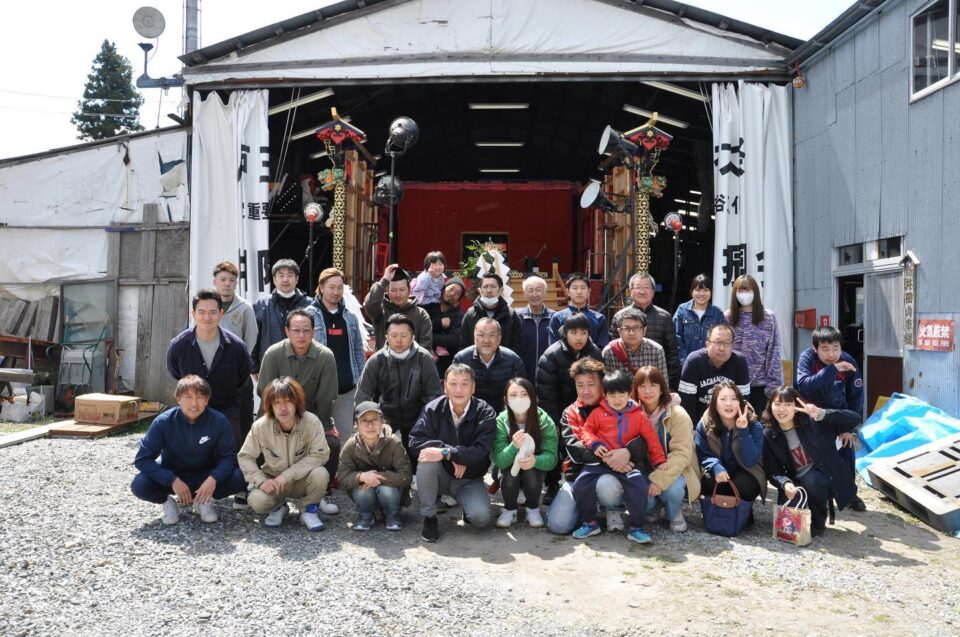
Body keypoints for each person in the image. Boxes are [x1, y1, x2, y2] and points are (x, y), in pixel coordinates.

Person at [256, 308, 340, 515]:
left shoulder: (325, 356)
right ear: (287, 331)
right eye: (296, 330)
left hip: (311, 419)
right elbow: (265, 394)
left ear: (314, 332)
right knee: (258, 443)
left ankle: (321, 491)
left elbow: (325, 398)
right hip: (276, 416)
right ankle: (270, 490)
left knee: (332, 444)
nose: (301, 336)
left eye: (306, 330)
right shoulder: (273, 354)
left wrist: (324, 428)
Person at [131, 375, 246, 525]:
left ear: (207, 400)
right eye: (188, 397)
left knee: (239, 476)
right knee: (139, 485)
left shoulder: (219, 421)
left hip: (205, 475)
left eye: (199, 397)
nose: (194, 403)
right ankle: (168, 503)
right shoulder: (163, 422)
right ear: (178, 399)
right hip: (173, 474)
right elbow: (142, 459)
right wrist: (171, 479)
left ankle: (204, 501)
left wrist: (213, 479)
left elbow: (229, 457)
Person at [571, 370, 665, 544]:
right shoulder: (599, 413)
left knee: (639, 486)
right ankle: (590, 522)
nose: (617, 399)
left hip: (627, 463)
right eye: (612, 395)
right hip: (601, 460)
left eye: (621, 394)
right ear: (605, 395)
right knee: (580, 484)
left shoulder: (639, 416)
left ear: (629, 394)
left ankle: (637, 527)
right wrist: (595, 444)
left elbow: (652, 440)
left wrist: (660, 461)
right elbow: (587, 431)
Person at [546, 358, 636, 536]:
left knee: (606, 485)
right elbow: (576, 449)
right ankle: (587, 510)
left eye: (591, 384)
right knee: (558, 525)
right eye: (580, 385)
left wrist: (627, 451)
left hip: (613, 474)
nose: (585, 391)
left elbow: (639, 438)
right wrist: (612, 457)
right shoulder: (570, 412)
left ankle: (613, 508)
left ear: (602, 384)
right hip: (578, 476)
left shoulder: (620, 403)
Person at [409, 364, 497, 543]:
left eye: (465, 384)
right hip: (441, 476)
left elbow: (480, 450)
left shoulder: (485, 412)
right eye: (453, 383)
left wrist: (450, 452)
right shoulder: (433, 408)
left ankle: (467, 507)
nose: (458, 389)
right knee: (427, 458)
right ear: (445, 387)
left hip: (469, 478)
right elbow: (414, 441)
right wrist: (446, 452)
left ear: (473, 387)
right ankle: (430, 517)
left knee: (481, 519)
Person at [761, 386, 861, 536]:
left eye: (788, 404)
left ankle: (818, 523)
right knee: (790, 525)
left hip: (823, 477)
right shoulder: (769, 434)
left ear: (796, 407)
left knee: (812, 479)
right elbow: (772, 469)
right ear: (770, 406)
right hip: (795, 480)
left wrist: (821, 414)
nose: (782, 409)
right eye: (777, 403)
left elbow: (854, 418)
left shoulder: (813, 422)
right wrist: (785, 483)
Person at [237, 377, 331, 532]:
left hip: (302, 479)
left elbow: (320, 454)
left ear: (297, 403)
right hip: (274, 481)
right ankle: (278, 508)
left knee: (321, 474)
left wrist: (288, 475)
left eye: (288, 401)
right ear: (270, 406)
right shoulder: (260, 426)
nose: (283, 408)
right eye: (277, 403)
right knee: (256, 500)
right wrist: (260, 481)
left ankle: (308, 510)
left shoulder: (311, 422)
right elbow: (245, 456)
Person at [354, 314, 443, 469]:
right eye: (394, 335)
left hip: (417, 413)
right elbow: (363, 396)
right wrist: (368, 421)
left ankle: (420, 474)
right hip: (387, 413)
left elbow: (434, 395)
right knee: (378, 450)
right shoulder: (377, 360)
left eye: (404, 335)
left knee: (420, 451)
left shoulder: (424, 358)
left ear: (412, 336)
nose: (399, 340)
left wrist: (430, 423)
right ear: (386, 336)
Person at [795, 325, 867, 512]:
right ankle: (815, 491)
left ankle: (850, 493)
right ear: (815, 348)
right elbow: (804, 386)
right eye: (825, 349)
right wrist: (832, 370)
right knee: (817, 454)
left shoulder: (849, 362)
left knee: (847, 449)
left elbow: (856, 397)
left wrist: (848, 428)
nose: (831, 354)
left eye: (835, 348)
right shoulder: (807, 359)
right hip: (811, 415)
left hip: (838, 415)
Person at [166, 289, 252, 444]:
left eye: (212, 312)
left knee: (229, 456)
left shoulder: (236, 347)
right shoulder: (179, 345)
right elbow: (176, 373)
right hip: (192, 409)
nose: (207, 317)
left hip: (227, 409)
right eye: (201, 312)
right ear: (193, 314)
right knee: (191, 456)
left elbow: (243, 376)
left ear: (221, 314)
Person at [535, 313, 603, 504]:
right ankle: (552, 484)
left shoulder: (595, 353)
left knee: (585, 445)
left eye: (583, 332)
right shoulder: (551, 355)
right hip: (557, 409)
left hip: (587, 411)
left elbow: (599, 388)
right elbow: (546, 393)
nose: (579, 337)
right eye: (573, 332)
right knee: (554, 445)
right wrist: (554, 421)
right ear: (565, 333)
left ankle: (587, 481)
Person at [631, 366, 700, 533]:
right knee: (643, 501)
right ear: (636, 389)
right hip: (644, 468)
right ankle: (654, 507)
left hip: (675, 469)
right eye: (642, 386)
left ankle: (674, 511)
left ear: (662, 388)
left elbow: (681, 454)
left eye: (653, 385)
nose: (648, 391)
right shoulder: (630, 412)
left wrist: (659, 479)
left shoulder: (678, 414)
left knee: (672, 489)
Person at [212, 261, 258, 506]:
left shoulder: (245, 308)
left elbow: (250, 342)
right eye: (223, 279)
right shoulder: (208, 306)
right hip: (211, 381)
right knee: (209, 429)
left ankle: (243, 485)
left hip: (238, 380)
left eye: (231, 280)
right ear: (214, 281)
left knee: (241, 430)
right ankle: (208, 484)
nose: (227, 284)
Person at [306, 267, 366, 440]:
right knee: (316, 437)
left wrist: (361, 380)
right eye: (331, 287)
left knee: (344, 437)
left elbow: (357, 351)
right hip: (318, 388)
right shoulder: (309, 315)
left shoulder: (350, 317)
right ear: (321, 287)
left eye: (340, 287)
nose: (336, 292)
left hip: (346, 388)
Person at [492, 378, 558, 528]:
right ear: (506, 400)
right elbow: (499, 460)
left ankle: (533, 509)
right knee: (509, 474)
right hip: (507, 468)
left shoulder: (544, 420)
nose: (519, 399)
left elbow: (552, 457)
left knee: (531, 472)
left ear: (532, 398)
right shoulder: (501, 421)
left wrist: (535, 460)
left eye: (524, 394)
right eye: (513, 395)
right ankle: (510, 509)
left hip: (534, 468)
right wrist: (513, 446)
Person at [337, 401, 413, 531]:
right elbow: (342, 478)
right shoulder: (350, 446)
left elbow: (406, 475)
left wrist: (377, 478)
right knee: (363, 491)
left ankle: (392, 515)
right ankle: (366, 515)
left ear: (382, 421)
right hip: (364, 491)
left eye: (375, 420)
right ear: (356, 425)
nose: (370, 425)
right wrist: (361, 477)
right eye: (364, 421)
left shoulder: (393, 442)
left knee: (386, 490)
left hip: (390, 491)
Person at [694, 381, 766, 509]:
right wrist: (715, 466)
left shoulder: (753, 425)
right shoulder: (705, 423)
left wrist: (743, 431)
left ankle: (739, 510)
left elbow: (750, 461)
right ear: (714, 403)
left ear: (740, 402)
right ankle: (719, 508)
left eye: (734, 399)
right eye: (723, 399)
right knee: (708, 481)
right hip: (719, 471)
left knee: (745, 485)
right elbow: (702, 452)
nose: (728, 404)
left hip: (745, 471)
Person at [725, 274, 783, 416]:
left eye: (747, 290)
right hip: (733, 386)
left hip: (760, 387)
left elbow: (774, 352)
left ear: (755, 291)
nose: (744, 294)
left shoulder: (768, 317)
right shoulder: (728, 317)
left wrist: (773, 388)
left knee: (759, 430)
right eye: (740, 290)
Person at [679, 324, 751, 423]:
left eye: (727, 343)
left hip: (730, 421)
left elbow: (743, 399)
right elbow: (687, 400)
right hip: (701, 421)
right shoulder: (694, 361)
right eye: (717, 342)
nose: (722, 348)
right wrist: (694, 427)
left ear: (732, 345)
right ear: (707, 344)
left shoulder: (739, 361)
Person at [452, 317, 526, 414]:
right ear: (474, 337)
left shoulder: (513, 360)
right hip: (470, 417)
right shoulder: (461, 359)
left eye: (491, 335)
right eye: (481, 335)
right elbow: (454, 393)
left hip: (504, 417)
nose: (486, 340)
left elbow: (521, 395)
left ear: (499, 338)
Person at [252, 259, 312, 373]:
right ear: (274, 279)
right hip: (271, 366)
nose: (285, 279)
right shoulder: (261, 304)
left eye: (290, 275)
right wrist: (255, 368)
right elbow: (254, 338)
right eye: (281, 275)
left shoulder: (310, 304)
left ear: (297, 279)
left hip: (304, 367)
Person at [626, 273, 681, 390]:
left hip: (656, 382)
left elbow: (672, 354)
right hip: (628, 382)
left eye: (646, 287)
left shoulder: (664, 317)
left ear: (653, 291)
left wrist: (670, 387)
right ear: (630, 291)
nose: (642, 291)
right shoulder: (621, 317)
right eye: (638, 287)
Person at [363, 263, 433, 351]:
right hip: (384, 363)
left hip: (413, 364)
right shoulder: (381, 311)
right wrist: (384, 280)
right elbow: (370, 304)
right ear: (387, 290)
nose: (398, 294)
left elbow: (426, 346)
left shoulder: (421, 314)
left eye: (402, 290)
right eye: (393, 290)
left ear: (409, 290)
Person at [602, 306, 669, 383]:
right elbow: (607, 387)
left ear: (644, 330)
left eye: (636, 328)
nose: (631, 333)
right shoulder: (609, 352)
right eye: (626, 328)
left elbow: (663, 384)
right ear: (619, 332)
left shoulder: (656, 350)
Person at [460, 272, 523, 352]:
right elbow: (463, 344)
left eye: (493, 287)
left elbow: (518, 345)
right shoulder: (470, 314)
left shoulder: (511, 314)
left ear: (500, 290)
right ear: (480, 290)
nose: (489, 291)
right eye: (485, 287)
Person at [673, 273, 726, 368]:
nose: (701, 294)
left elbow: (723, 340)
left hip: (711, 366)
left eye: (705, 290)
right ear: (691, 292)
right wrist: (685, 362)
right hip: (685, 365)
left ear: (711, 292)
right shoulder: (682, 310)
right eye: (698, 290)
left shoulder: (717, 313)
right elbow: (677, 339)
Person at [547, 272, 609, 348]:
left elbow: (602, 347)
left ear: (589, 291)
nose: (579, 292)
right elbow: (554, 347)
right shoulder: (557, 317)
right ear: (568, 292)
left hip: (591, 359)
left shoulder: (599, 319)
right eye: (575, 288)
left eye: (583, 288)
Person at [516, 275, 555, 381]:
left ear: (545, 293)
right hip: (523, 374)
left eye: (538, 290)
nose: (534, 294)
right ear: (524, 294)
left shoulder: (555, 318)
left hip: (549, 374)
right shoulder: (517, 318)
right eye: (530, 290)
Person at [432, 277, 466, 377]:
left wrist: (429, 336)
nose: (453, 294)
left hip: (446, 368)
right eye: (451, 289)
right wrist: (439, 323)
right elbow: (418, 328)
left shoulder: (459, 316)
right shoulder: (429, 308)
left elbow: (454, 340)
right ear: (443, 289)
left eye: (458, 293)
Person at [411, 251, 447, 324]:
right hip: (423, 304)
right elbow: (417, 292)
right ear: (428, 266)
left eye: (440, 264)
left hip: (436, 304)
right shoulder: (425, 277)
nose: (438, 267)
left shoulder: (442, 277)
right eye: (434, 264)